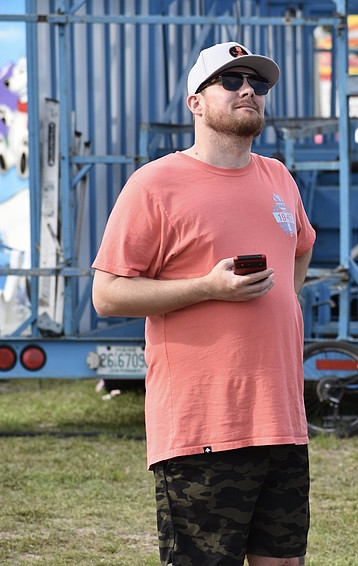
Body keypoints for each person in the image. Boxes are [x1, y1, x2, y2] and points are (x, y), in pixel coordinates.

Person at [91, 41, 315, 566]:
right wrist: (206, 289)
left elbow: (300, 249)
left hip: (282, 421)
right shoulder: (154, 185)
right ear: (195, 102)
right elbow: (107, 294)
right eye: (231, 82)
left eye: (257, 84)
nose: (248, 92)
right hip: (202, 430)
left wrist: (279, 298)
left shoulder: (278, 176)